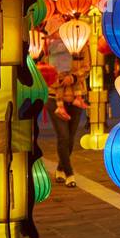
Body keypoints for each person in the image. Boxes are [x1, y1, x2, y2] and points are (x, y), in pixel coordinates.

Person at [47, 35, 91, 186]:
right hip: (54, 95)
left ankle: (60, 168)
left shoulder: (81, 42)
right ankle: (70, 174)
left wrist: (72, 77)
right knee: (63, 136)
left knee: (71, 136)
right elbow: (44, 68)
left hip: (76, 96)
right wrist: (58, 79)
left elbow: (87, 66)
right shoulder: (49, 43)